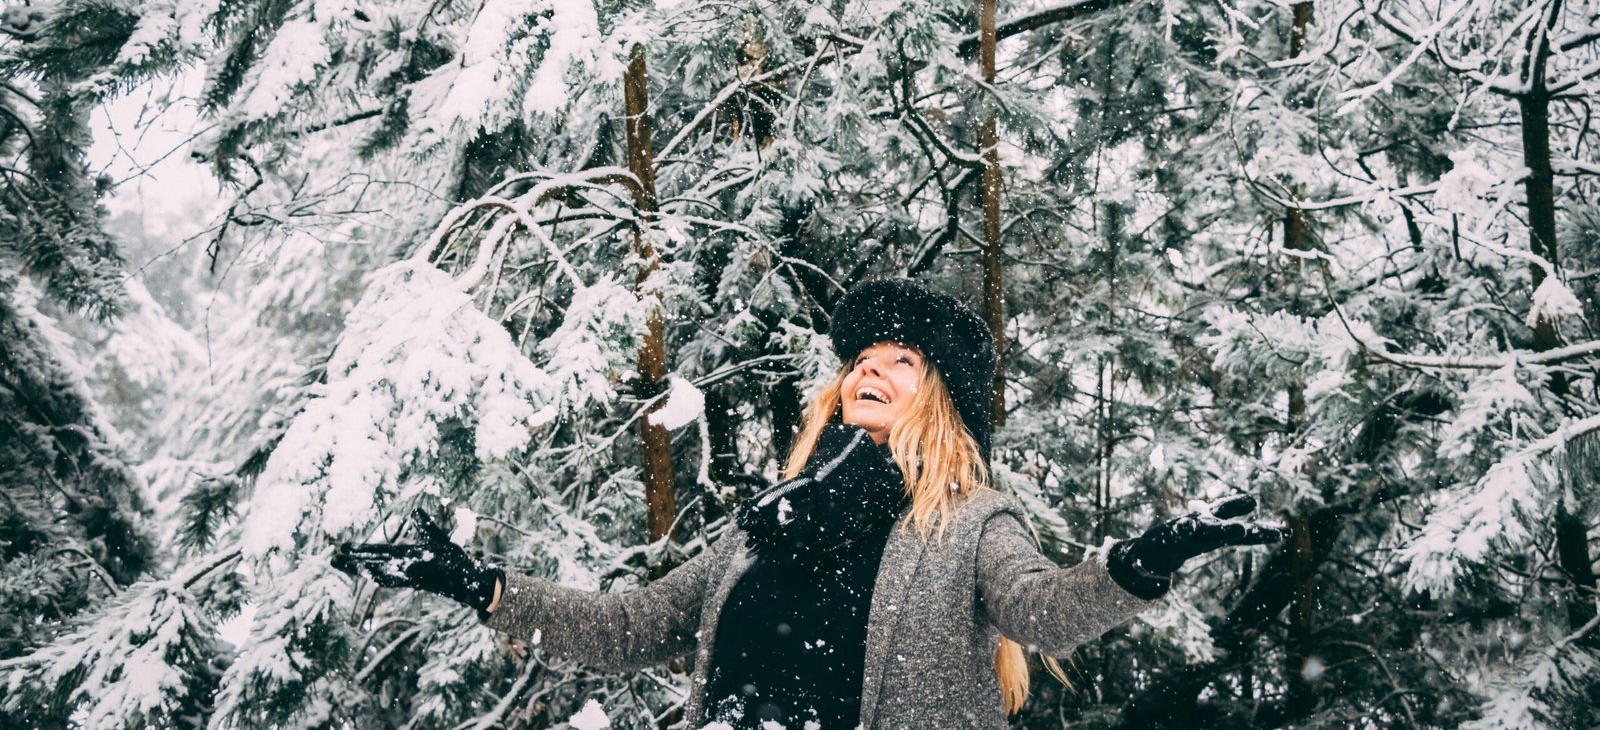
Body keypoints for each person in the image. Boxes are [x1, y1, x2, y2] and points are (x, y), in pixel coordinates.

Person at [334, 278, 1282, 729]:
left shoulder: (965, 520)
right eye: (861, 359)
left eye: (900, 361)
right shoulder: (764, 527)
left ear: (938, 398)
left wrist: (1146, 558)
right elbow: (628, 626)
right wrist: (481, 584)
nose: (869, 365)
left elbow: (1042, 611)